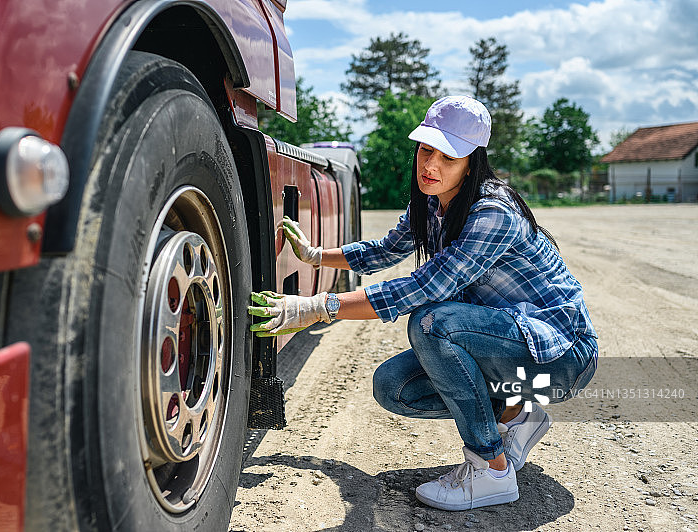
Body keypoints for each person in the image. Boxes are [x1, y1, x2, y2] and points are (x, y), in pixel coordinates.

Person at [248, 95, 598, 511]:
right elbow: (384, 250)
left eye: (448, 157)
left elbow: (423, 287)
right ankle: (516, 416)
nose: (430, 166)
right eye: (426, 150)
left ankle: (491, 471)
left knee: (433, 322)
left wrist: (316, 308)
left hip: (562, 361)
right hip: (515, 353)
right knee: (394, 387)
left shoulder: (492, 213)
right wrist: (316, 255)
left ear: (472, 161)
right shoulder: (431, 203)